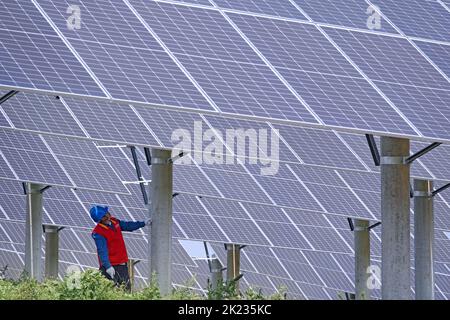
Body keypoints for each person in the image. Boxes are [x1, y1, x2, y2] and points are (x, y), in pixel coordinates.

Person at [90, 205, 151, 291]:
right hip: (111, 266)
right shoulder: (98, 233)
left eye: (106, 214)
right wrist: (108, 267)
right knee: (110, 292)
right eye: (103, 217)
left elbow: (127, 226)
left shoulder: (114, 222)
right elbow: (102, 251)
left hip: (122, 264)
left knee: (126, 290)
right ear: (99, 220)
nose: (107, 217)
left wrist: (143, 223)